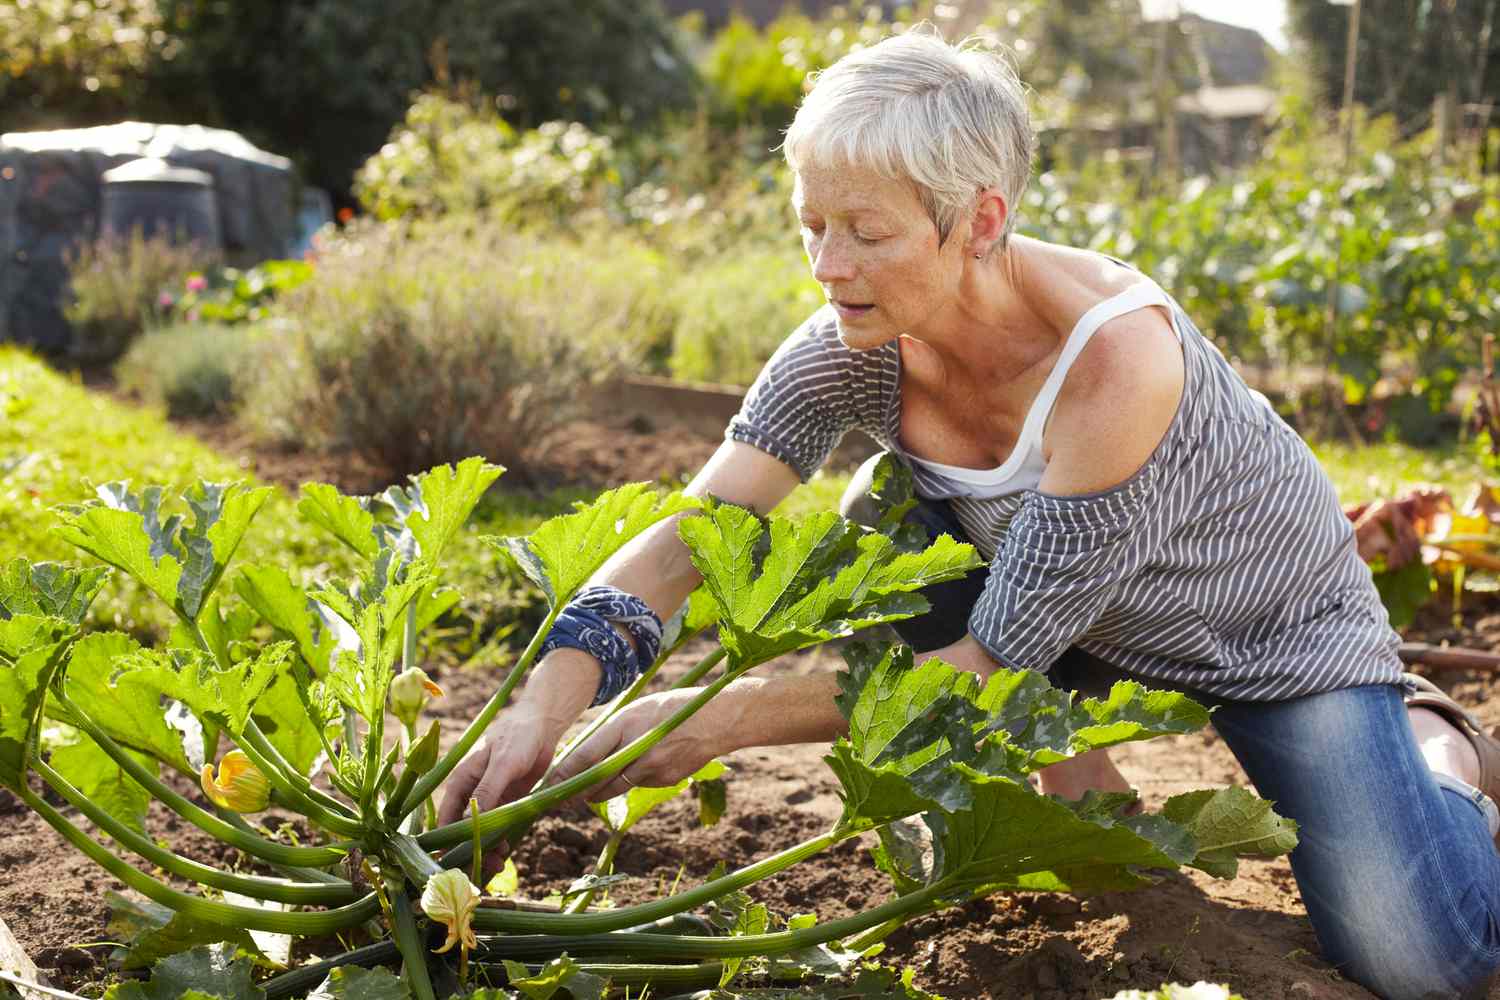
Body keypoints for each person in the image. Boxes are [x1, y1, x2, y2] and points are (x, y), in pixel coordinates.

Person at [440, 29, 1500, 1000]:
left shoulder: (1114, 362)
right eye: (810, 224)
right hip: (1072, 620)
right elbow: (695, 536)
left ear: (981, 219)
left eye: (865, 231)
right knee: (881, 510)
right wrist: (546, 699)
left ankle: (1435, 741)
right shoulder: (845, 349)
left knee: (1423, 962)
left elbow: (990, 669)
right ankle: (1078, 781)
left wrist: (723, 721)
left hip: (1269, 639)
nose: (826, 265)